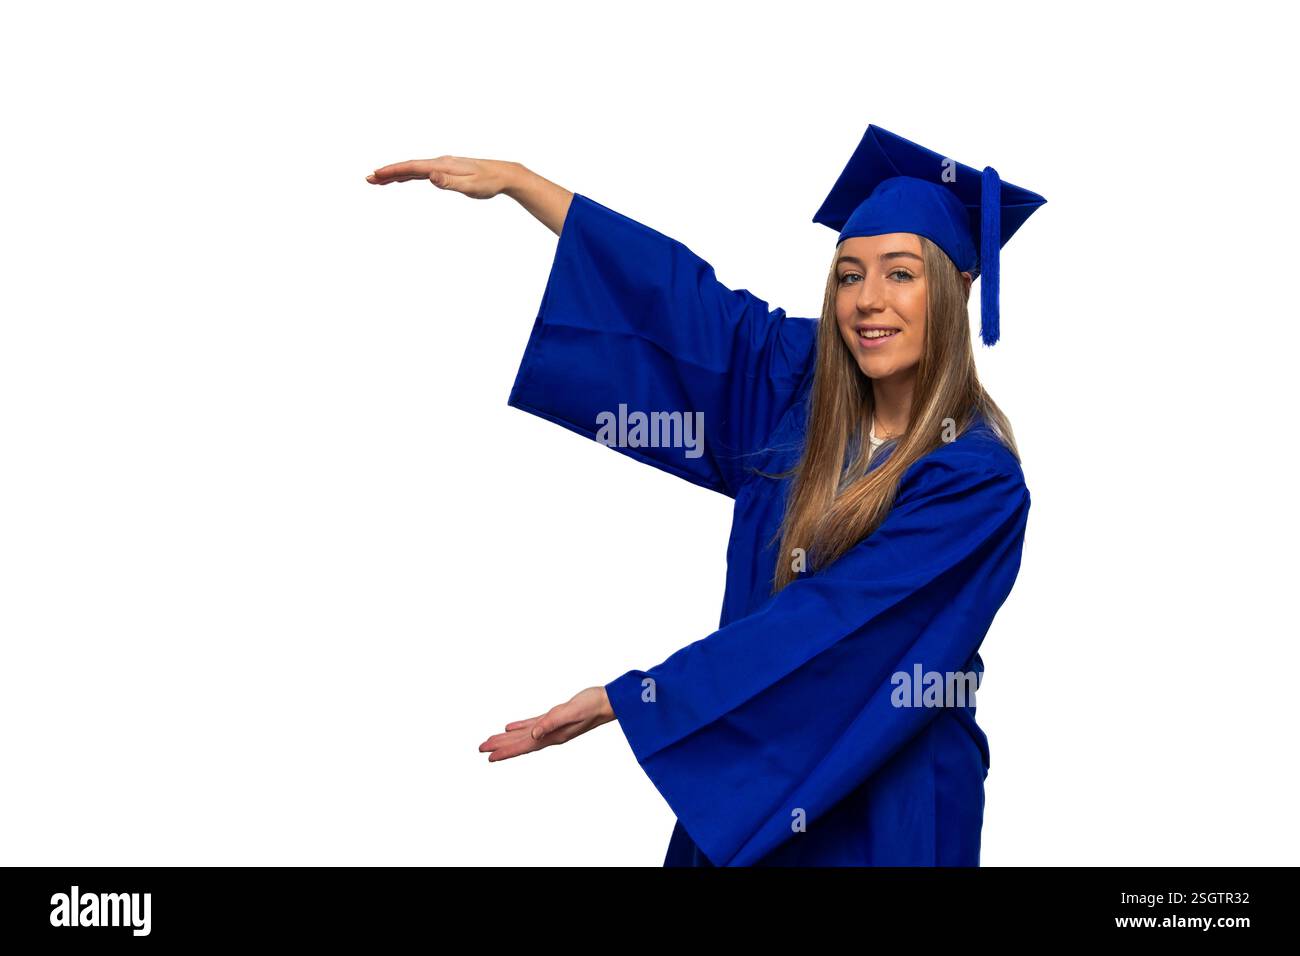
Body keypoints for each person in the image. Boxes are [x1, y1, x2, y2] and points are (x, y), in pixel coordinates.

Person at [366, 125, 1047, 866]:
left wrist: (634, 698)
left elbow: (834, 624)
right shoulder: (802, 388)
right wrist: (530, 188)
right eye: (848, 275)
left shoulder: (975, 479)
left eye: (900, 273)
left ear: (958, 288)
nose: (866, 300)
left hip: (891, 803)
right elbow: (687, 305)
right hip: (750, 763)